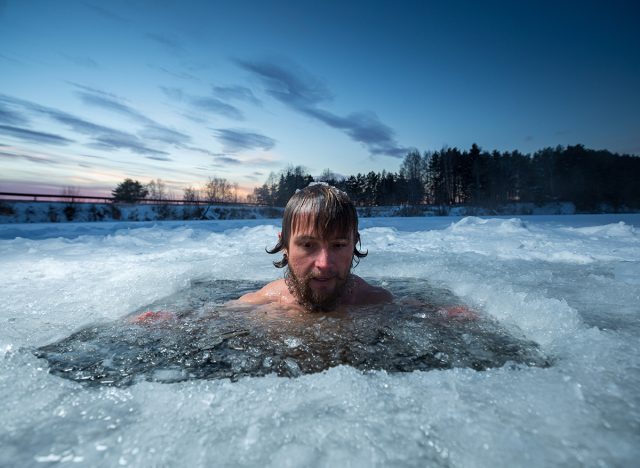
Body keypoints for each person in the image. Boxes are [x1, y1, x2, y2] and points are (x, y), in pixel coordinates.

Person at [238, 182, 393, 312]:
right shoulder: (262, 304)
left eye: (338, 245)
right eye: (308, 245)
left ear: (354, 243)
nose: (324, 264)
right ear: (285, 245)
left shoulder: (378, 303)